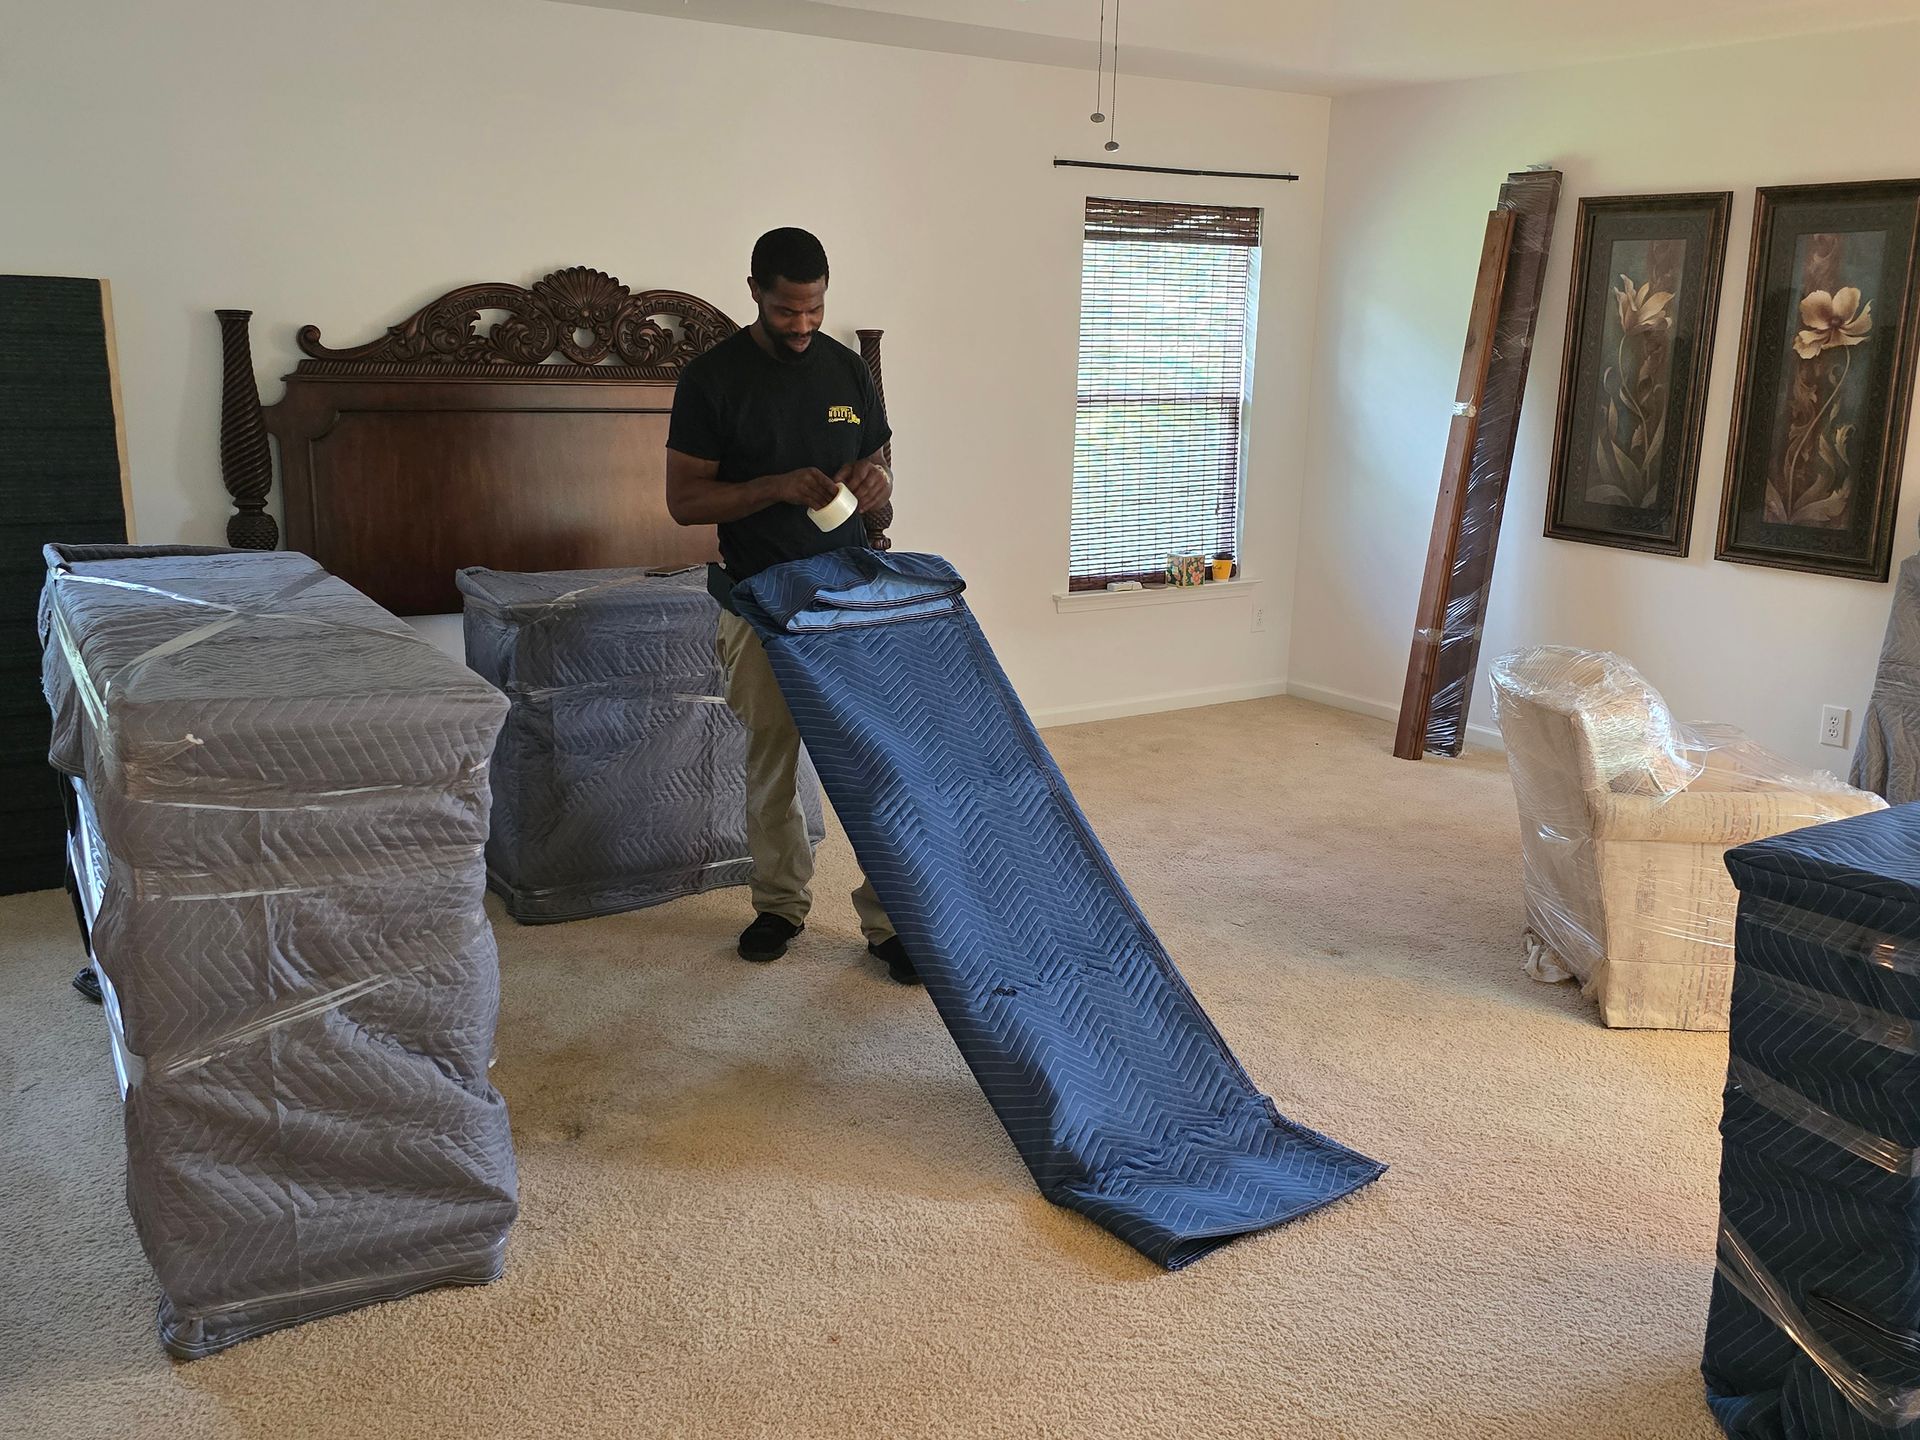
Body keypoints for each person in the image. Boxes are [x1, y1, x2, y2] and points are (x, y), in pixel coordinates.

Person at [664, 227, 917, 985]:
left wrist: (877, 482)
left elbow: (876, 459)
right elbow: (682, 501)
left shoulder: (846, 368)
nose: (802, 326)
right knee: (774, 763)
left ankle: (886, 921)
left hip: (850, 593)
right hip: (759, 598)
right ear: (754, 293)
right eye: (785, 312)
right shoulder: (711, 380)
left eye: (813, 310)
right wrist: (776, 486)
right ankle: (778, 906)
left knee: (876, 765)